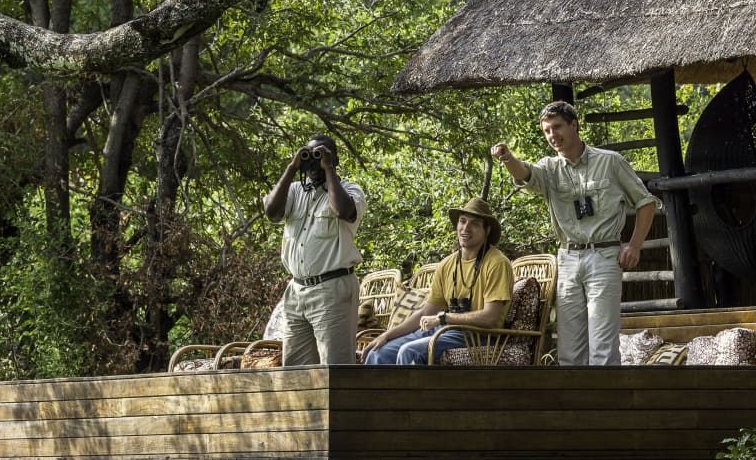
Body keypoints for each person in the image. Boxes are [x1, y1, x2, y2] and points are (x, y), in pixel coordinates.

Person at [492, 101, 659, 365]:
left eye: (557, 127)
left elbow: (646, 202)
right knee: (569, 349)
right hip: (568, 258)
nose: (552, 135)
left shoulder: (610, 162)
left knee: (602, 346)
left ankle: (605, 406)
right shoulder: (549, 168)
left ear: (574, 125)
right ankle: (579, 405)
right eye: (546, 131)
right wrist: (507, 158)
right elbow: (525, 174)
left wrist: (635, 245)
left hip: (604, 256)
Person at [362, 196, 514, 365]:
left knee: (410, 352)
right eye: (462, 221)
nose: (466, 228)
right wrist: (386, 335)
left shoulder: (497, 263)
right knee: (378, 354)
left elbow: (489, 318)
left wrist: (444, 318)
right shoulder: (447, 264)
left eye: (475, 224)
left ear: (487, 231)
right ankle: (378, 393)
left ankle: (408, 393)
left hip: (479, 336)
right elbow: (426, 312)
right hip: (445, 330)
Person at [263, 134, 365, 365]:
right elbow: (272, 212)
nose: (314, 162)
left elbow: (343, 210)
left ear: (335, 160)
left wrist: (327, 169)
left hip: (332, 290)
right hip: (296, 290)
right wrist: (292, 168)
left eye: (320, 155)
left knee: (334, 369)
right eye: (310, 156)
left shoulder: (351, 191)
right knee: (295, 370)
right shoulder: (295, 191)